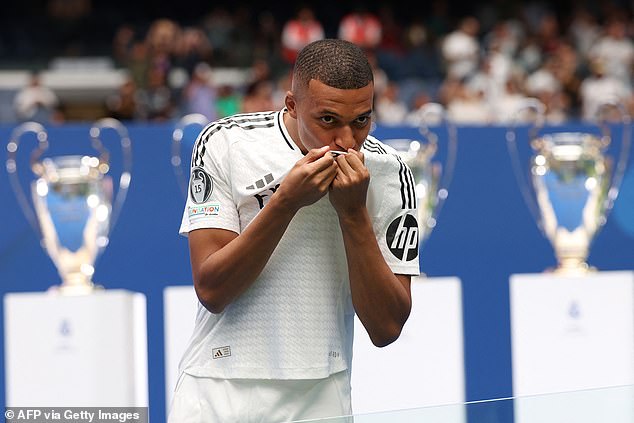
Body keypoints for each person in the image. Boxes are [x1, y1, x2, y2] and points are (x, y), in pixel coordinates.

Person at [170, 38, 420, 423]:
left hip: (322, 393)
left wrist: (353, 214)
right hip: (218, 387)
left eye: (361, 121)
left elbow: (386, 328)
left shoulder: (391, 171)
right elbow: (212, 289)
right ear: (291, 105)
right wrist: (285, 202)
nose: (346, 141)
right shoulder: (226, 142)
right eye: (328, 120)